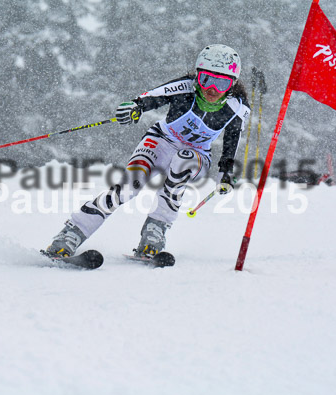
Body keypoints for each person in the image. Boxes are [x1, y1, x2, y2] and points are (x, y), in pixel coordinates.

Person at [45, 44, 251, 259]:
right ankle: (71, 234)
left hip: (196, 154)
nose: (213, 89)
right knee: (128, 187)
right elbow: (149, 98)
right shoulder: (184, 87)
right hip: (160, 141)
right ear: (197, 76)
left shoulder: (238, 107)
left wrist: (226, 171)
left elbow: (232, 140)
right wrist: (135, 108)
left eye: (222, 83)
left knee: (182, 163)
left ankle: (155, 231)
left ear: (233, 83)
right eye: (206, 80)